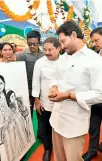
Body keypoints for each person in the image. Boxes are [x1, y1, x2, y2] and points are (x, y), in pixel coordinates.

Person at [48, 20, 102, 161]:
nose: (61, 46)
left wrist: (68, 96)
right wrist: (54, 87)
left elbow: (99, 94)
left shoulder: (94, 60)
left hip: (74, 123)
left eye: (63, 41)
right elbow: (55, 76)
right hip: (56, 119)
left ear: (73, 35)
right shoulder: (62, 58)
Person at [32, 37, 61, 161]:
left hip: (62, 102)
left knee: (59, 126)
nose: (47, 52)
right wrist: (37, 101)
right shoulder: (40, 62)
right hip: (44, 102)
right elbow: (35, 82)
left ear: (59, 48)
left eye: (50, 50)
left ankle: (59, 147)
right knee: (45, 127)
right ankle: (48, 148)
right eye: (45, 50)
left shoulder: (66, 61)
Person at [82, 27, 102, 161]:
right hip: (96, 98)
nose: (95, 44)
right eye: (93, 41)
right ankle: (92, 150)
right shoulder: (96, 55)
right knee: (93, 126)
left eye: (96, 40)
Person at [16, 30, 44, 118]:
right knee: (28, 117)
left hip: (42, 91)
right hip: (27, 91)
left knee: (42, 116)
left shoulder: (44, 55)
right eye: (30, 43)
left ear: (39, 43)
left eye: (35, 44)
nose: (32, 46)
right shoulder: (22, 55)